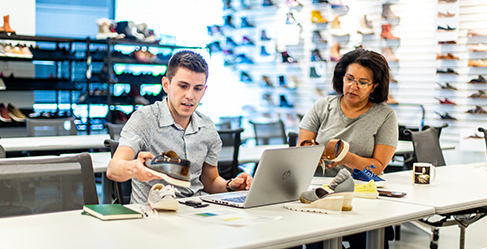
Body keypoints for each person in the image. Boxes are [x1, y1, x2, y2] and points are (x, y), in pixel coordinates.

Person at [106, 50, 252, 203]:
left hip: (196, 212)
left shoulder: (207, 127)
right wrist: (135, 168)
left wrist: (230, 186)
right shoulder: (144, 119)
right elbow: (113, 169)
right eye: (183, 86)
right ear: (166, 85)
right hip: (155, 215)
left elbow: (210, 181)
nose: (190, 95)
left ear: (204, 90)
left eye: (197, 88)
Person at [298, 48, 398, 249]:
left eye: (362, 83)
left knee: (366, 240)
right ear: (341, 77)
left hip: (361, 195)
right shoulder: (322, 106)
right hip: (320, 192)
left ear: (374, 86)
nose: (353, 87)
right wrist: (311, 151)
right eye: (349, 79)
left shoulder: (385, 116)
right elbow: (301, 147)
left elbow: (377, 167)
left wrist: (345, 158)